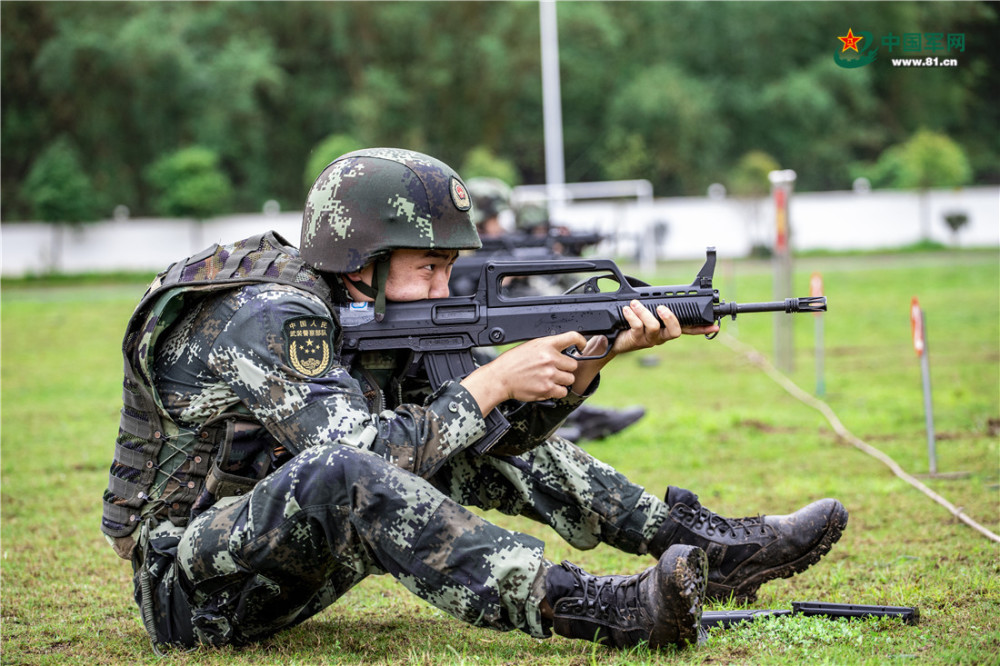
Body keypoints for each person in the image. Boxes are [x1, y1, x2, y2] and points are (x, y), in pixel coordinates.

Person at [102, 148, 848, 654]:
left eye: (450, 267)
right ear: (363, 258)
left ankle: (715, 550)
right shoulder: (270, 315)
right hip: (189, 590)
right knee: (352, 468)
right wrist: (489, 382)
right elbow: (355, 460)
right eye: (428, 268)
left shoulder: (365, 308)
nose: (443, 287)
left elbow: (492, 445)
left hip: (275, 557)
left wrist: (585, 367)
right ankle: (597, 607)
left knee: (461, 436)